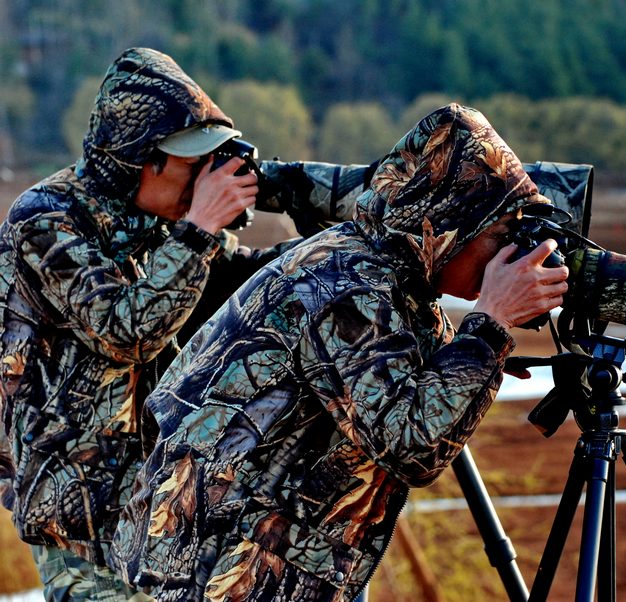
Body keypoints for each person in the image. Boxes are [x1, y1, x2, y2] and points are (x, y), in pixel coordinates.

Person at [110, 103, 570, 601]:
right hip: (214, 571)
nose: (511, 255)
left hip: (232, 564)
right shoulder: (348, 285)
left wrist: (474, 355)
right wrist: (489, 327)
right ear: (446, 224)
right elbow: (411, 448)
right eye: (501, 235)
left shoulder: (383, 272)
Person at [0, 47, 335, 601]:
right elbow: (126, 330)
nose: (201, 178)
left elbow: (237, 281)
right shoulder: (47, 219)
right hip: (78, 515)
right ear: (140, 159)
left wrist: (335, 260)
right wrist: (200, 225)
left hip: (159, 510)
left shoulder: (160, 223)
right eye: (191, 163)